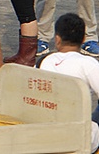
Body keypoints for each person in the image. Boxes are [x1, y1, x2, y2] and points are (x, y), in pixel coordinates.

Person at [39, 13, 99, 154]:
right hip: (81, 138)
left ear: (57, 39)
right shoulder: (88, 64)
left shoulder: (44, 61)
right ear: (84, 39)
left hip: (43, 134)